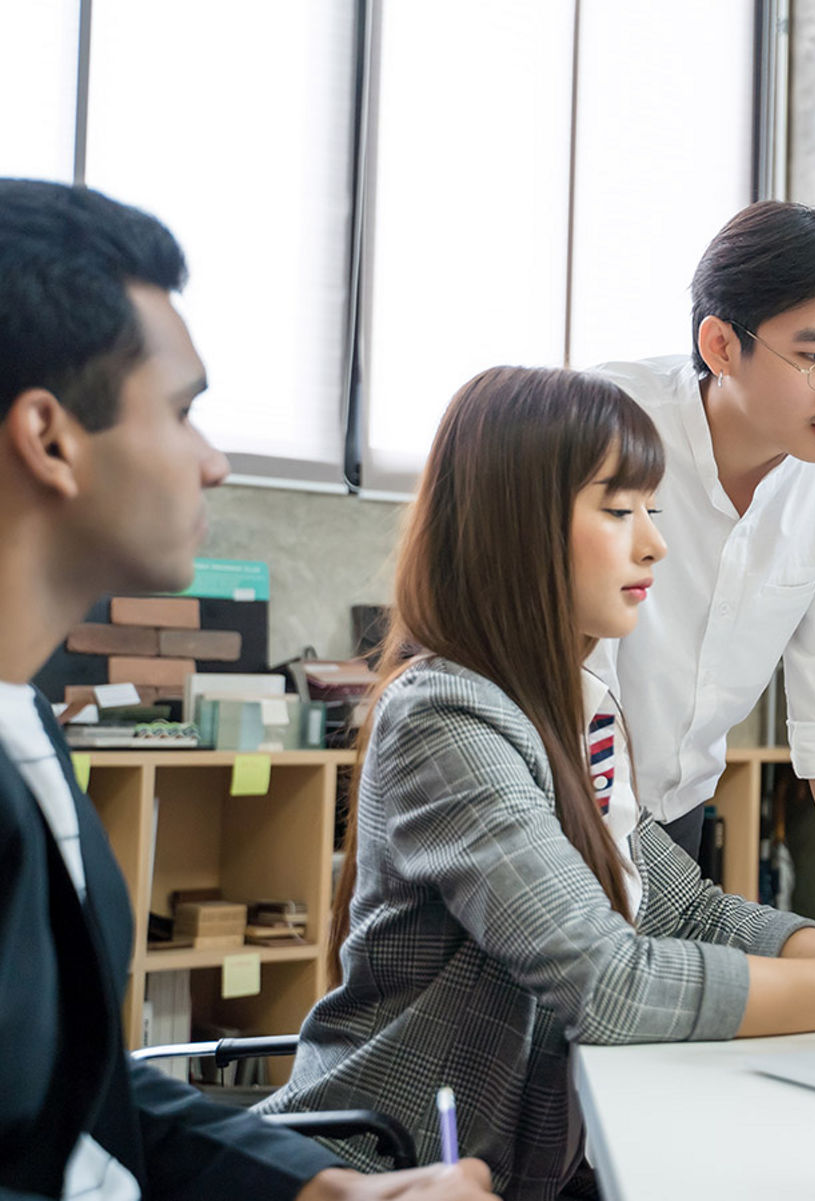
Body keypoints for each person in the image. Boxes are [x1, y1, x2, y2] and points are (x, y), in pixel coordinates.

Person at [259, 366, 815, 1200]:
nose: (653, 543)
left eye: (652, 511)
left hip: (524, 1161)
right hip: (391, 1165)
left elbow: (684, 909)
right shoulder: (445, 718)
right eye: (618, 511)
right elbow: (609, 984)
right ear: (516, 529)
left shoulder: (579, 706)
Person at [0, 178, 494, 1200]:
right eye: (183, 413)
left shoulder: (28, 726)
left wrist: (327, 1190)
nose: (216, 462)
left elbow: (78, 1097)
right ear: (49, 438)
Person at [586, 202, 815, 920]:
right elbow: (574, 677)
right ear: (722, 345)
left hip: (680, 808)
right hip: (567, 799)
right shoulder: (607, 421)